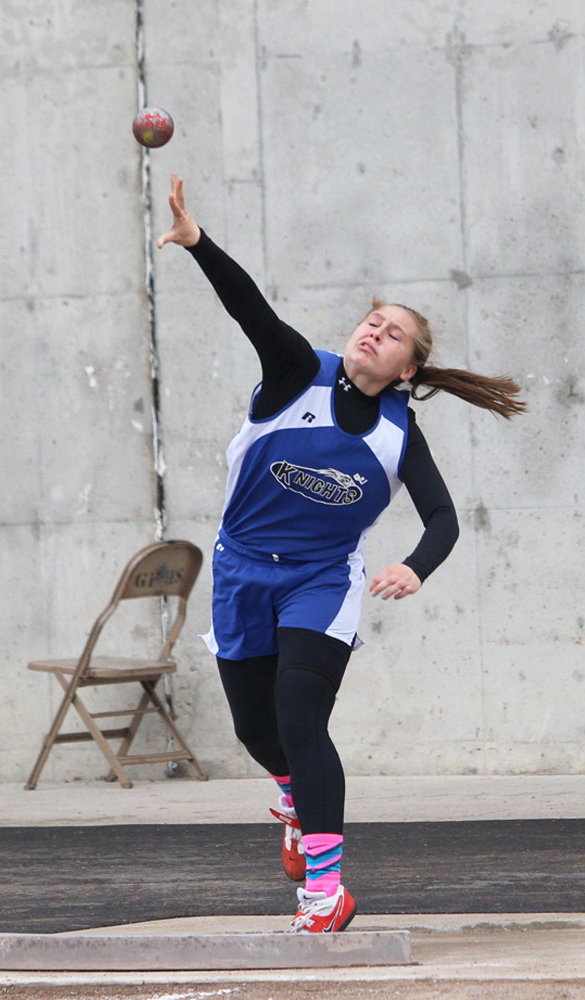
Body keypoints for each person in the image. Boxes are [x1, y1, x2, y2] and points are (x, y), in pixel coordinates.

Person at [158, 173, 525, 934]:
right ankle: (293, 797)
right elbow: (248, 306)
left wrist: (413, 565)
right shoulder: (297, 373)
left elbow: (444, 519)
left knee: (299, 714)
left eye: (391, 334)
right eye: (371, 321)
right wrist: (199, 245)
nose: (372, 332)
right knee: (256, 733)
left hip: (321, 582)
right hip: (240, 573)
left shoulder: (398, 435)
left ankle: (324, 894)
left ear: (407, 370)